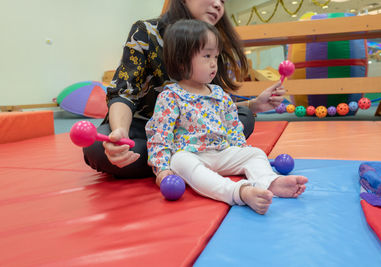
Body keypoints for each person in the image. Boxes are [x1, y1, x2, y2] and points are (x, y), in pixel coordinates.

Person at [83, 0, 286, 179]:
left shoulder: (211, 42)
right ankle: (188, 160)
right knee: (96, 147)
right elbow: (124, 92)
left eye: (223, 1)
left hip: (195, 133)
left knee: (244, 117)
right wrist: (120, 135)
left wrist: (253, 104)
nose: (218, 5)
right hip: (149, 129)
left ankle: (182, 161)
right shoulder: (146, 31)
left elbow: (210, 104)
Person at [145, 19, 308, 215]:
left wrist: (240, 150)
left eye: (215, 56)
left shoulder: (219, 94)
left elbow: (233, 126)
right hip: (192, 155)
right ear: (181, 61)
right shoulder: (171, 96)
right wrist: (162, 169)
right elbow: (160, 136)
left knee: (255, 153)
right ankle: (239, 192)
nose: (214, 63)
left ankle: (269, 181)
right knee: (179, 161)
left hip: (222, 152)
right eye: (206, 56)